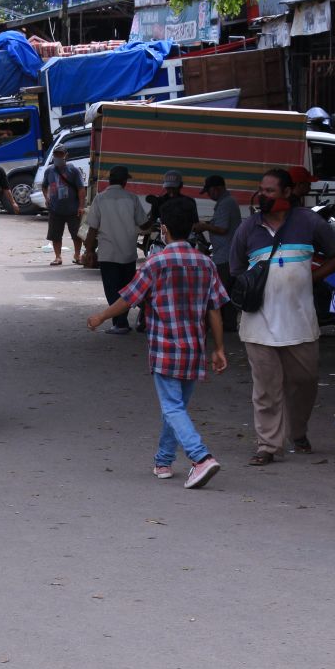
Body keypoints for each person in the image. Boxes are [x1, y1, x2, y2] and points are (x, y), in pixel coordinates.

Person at [86, 198, 229, 489]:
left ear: (163, 229)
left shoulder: (156, 262)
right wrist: (219, 348)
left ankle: (200, 457)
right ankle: (163, 461)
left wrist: (101, 316)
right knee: (175, 408)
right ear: (192, 227)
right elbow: (215, 308)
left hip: (165, 347)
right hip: (194, 348)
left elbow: (129, 298)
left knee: (173, 408)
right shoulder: (206, 263)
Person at [229, 168, 335, 465]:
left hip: (299, 322)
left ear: (287, 192)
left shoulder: (309, 222)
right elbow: (235, 270)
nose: (263, 197)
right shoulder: (248, 228)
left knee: (305, 381)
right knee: (266, 388)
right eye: (261, 190)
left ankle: (298, 431)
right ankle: (268, 446)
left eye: (270, 191)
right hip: (258, 323)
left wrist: (316, 276)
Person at [81, 166, 146, 334]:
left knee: (112, 289)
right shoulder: (132, 198)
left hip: (108, 253)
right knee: (127, 289)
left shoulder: (100, 199)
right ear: (125, 181)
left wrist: (89, 250)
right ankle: (129, 318)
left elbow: (93, 228)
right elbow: (144, 223)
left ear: (109, 180)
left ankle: (121, 323)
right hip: (128, 252)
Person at [194, 174, 242, 332]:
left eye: (209, 191)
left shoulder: (226, 203)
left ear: (217, 189)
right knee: (226, 292)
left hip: (225, 256)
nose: (208, 195)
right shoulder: (227, 202)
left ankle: (221, 325)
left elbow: (222, 229)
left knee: (220, 293)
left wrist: (204, 227)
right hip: (226, 254)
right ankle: (227, 324)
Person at [41, 146, 86, 265]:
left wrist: (81, 206)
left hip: (73, 209)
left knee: (76, 234)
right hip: (55, 209)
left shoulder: (73, 170)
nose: (58, 157)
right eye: (56, 155)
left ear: (66, 155)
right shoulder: (49, 171)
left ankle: (77, 255)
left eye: (60, 154)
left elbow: (81, 189)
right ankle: (58, 257)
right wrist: (47, 198)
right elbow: (44, 186)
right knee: (55, 235)